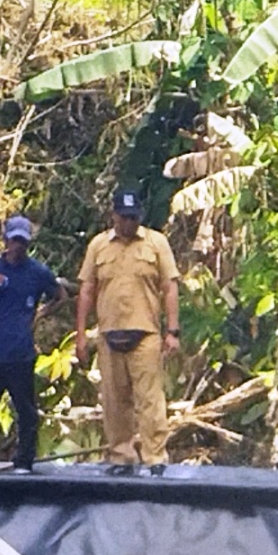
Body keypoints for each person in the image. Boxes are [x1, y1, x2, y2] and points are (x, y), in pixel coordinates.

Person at [74, 189, 180, 474]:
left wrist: (173, 330)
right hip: (109, 333)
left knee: (149, 399)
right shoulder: (98, 246)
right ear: (114, 216)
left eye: (133, 218)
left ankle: (155, 456)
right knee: (113, 399)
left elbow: (170, 287)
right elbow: (86, 290)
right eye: (124, 218)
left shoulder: (156, 243)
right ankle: (121, 455)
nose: (128, 224)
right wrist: (82, 334)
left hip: (145, 332)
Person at [0, 215, 63, 472]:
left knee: (26, 410)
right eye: (15, 241)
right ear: (6, 240)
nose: (18, 247)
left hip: (21, 353)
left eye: (23, 242)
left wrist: (40, 314)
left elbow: (59, 295)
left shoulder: (37, 272)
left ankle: (25, 460)